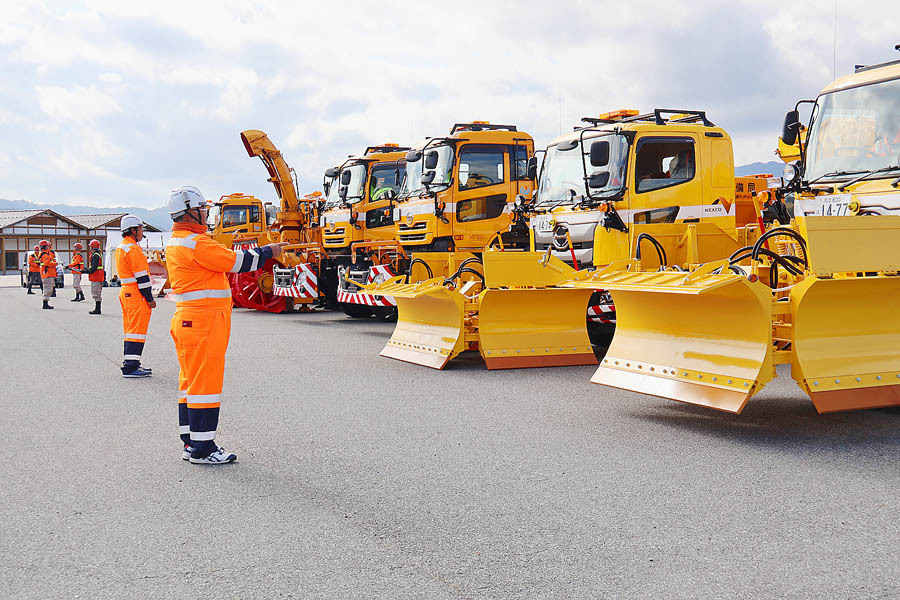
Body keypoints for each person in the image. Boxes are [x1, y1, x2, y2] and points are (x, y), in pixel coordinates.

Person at [165, 186, 287, 464]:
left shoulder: (179, 241)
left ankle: (191, 442)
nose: (206, 214)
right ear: (190, 211)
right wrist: (270, 250)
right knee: (205, 385)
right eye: (203, 209)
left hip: (187, 320)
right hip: (203, 321)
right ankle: (203, 448)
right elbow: (237, 262)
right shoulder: (197, 243)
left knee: (190, 384)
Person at [116, 215, 156, 378]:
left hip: (126, 291)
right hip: (135, 293)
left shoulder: (122, 247)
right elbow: (142, 278)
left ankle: (131, 363)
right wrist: (150, 298)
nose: (142, 232)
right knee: (137, 331)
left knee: (131, 330)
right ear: (133, 230)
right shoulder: (133, 249)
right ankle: (131, 367)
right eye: (140, 229)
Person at [83, 239, 105, 314]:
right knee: (97, 293)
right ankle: (97, 309)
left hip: (96, 276)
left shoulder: (95, 255)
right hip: (99, 276)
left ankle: (97, 309)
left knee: (96, 293)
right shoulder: (98, 254)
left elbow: (93, 268)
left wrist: (86, 271)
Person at [37, 240, 57, 309]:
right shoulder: (45, 255)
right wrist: (55, 264)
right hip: (47, 274)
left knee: (49, 289)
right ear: (45, 246)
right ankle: (45, 304)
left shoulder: (45, 254)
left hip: (48, 273)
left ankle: (46, 303)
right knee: (47, 289)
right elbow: (47, 263)